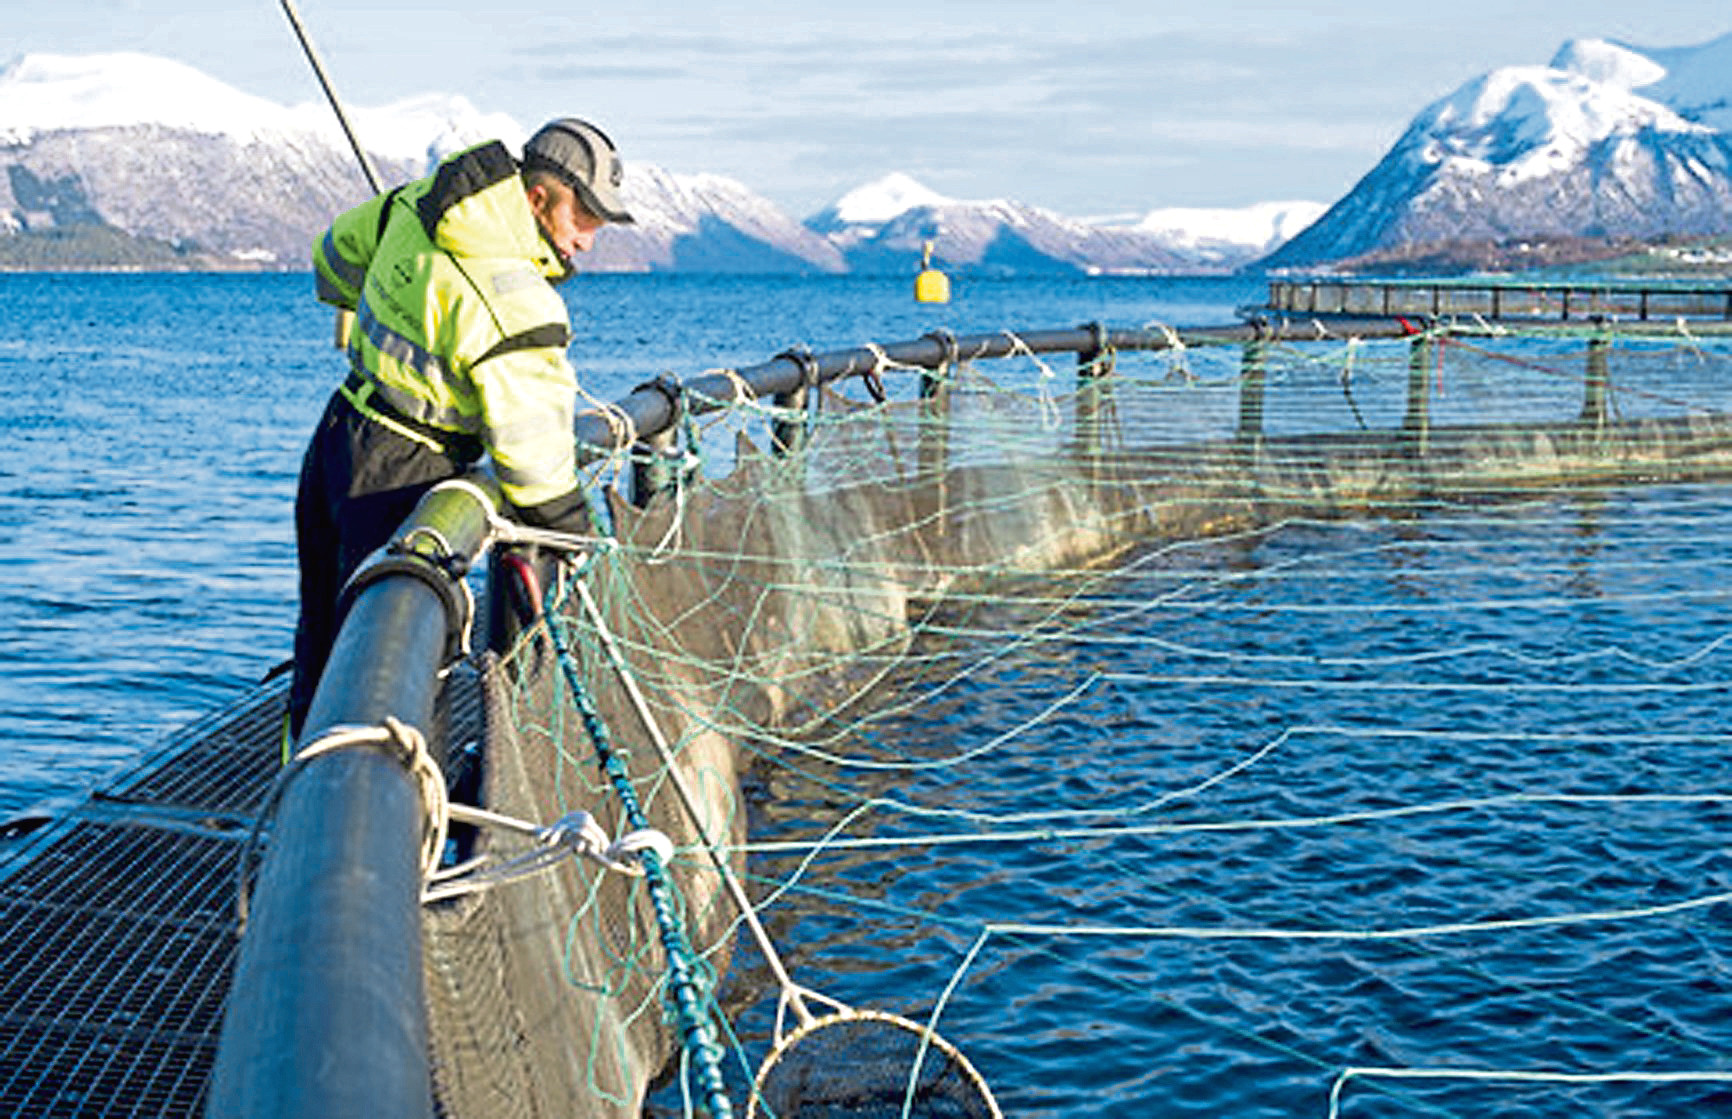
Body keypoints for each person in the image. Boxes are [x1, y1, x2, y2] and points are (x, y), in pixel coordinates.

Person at [287, 117, 634, 739]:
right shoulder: (516, 301)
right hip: (402, 478)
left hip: (339, 435)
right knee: (401, 667)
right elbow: (534, 474)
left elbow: (334, 251)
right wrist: (582, 547)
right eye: (584, 218)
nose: (588, 240)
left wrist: (360, 315)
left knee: (324, 641)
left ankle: (298, 784)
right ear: (536, 199)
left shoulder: (418, 203)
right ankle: (400, 819)